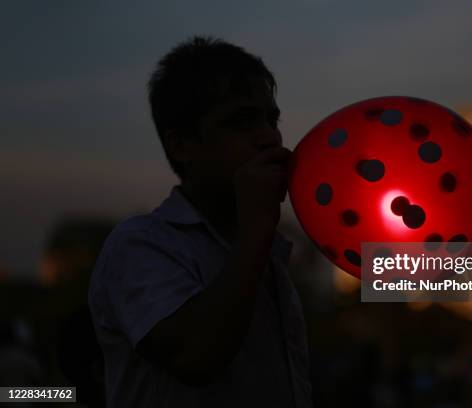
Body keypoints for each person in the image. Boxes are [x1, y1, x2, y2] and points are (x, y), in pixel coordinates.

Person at [88, 35, 312, 408]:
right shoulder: (141, 244)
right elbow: (196, 357)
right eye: (241, 122)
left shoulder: (267, 255)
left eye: (271, 119)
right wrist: (257, 228)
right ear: (182, 146)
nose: (269, 137)